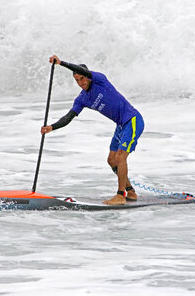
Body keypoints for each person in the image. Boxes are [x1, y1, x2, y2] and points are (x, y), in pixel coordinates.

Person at [41, 55, 144, 205]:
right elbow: (69, 117)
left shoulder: (99, 80)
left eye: (82, 78)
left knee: (121, 157)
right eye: (76, 80)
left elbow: (80, 70)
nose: (80, 83)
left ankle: (120, 195)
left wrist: (61, 63)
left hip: (132, 120)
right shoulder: (82, 99)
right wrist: (51, 127)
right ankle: (131, 192)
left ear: (88, 76)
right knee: (111, 160)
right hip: (120, 126)